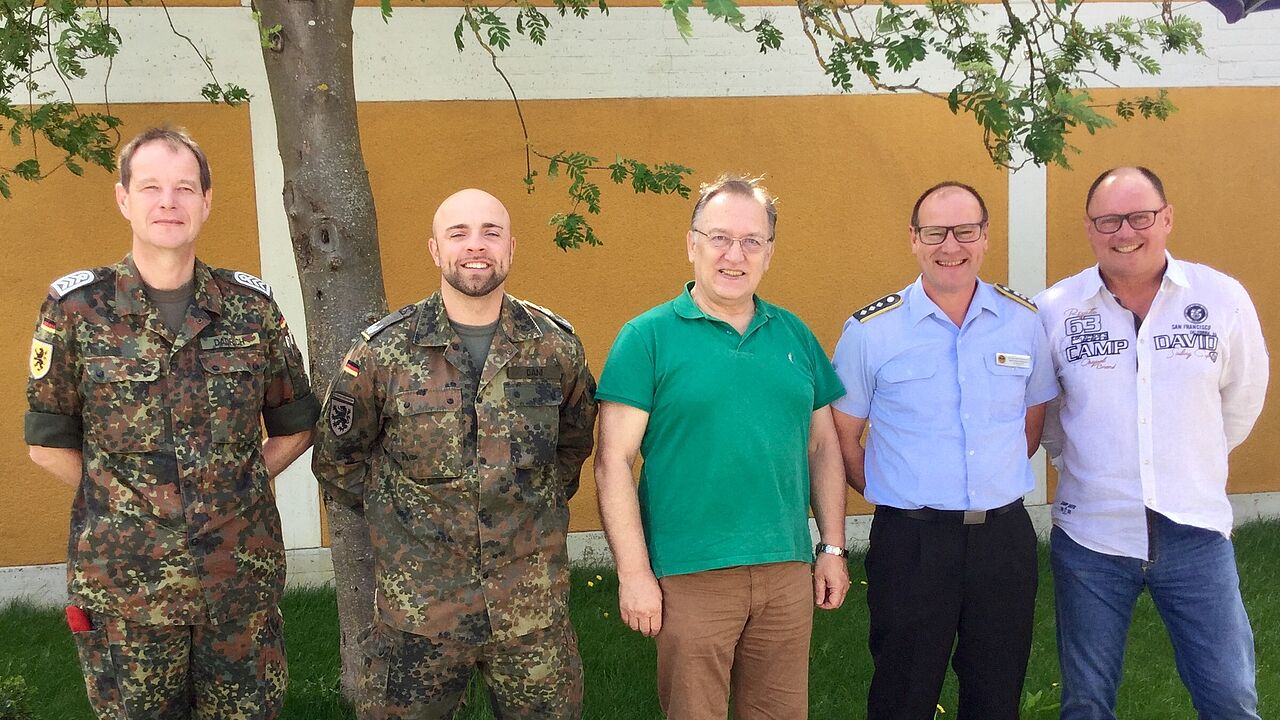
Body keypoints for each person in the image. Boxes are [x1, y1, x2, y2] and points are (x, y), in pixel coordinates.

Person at [24, 126, 318, 719]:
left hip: (238, 576)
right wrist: (123, 503)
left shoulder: (251, 308)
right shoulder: (75, 310)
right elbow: (47, 441)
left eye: (185, 188)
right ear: (123, 199)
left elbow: (295, 423)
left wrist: (237, 485)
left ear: (206, 202)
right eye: (151, 186)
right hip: (127, 586)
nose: (168, 202)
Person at [311, 188, 597, 718]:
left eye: (491, 232)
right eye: (458, 233)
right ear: (434, 249)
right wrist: (401, 529)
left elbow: (573, 445)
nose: (476, 247)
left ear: (511, 246)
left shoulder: (555, 346)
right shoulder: (383, 353)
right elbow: (338, 459)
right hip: (419, 615)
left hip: (530, 612)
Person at [593, 174, 850, 720]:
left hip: (785, 569)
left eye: (751, 241)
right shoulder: (647, 338)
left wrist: (831, 547)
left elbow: (824, 446)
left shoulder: (795, 335)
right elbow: (612, 460)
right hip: (691, 571)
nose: (735, 255)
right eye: (719, 238)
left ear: (769, 253)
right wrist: (635, 574)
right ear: (692, 244)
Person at [1036, 166, 1268, 720]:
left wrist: (1190, 460)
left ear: (1167, 218)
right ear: (1090, 228)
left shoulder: (1220, 298)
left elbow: (1242, 400)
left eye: (1140, 217)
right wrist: (1089, 464)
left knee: (1231, 697)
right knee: (1086, 703)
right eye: (1108, 220)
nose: (1125, 232)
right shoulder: (1056, 310)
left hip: (1196, 532)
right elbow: (1048, 417)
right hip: (1092, 535)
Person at [830, 181, 1058, 720]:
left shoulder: (1023, 322)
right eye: (935, 232)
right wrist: (897, 491)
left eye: (965, 231)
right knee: (903, 692)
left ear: (984, 237)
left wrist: (983, 483)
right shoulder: (871, 332)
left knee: (997, 689)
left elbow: (1031, 424)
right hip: (911, 542)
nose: (950, 245)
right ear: (914, 239)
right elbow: (841, 438)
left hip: (1003, 541)